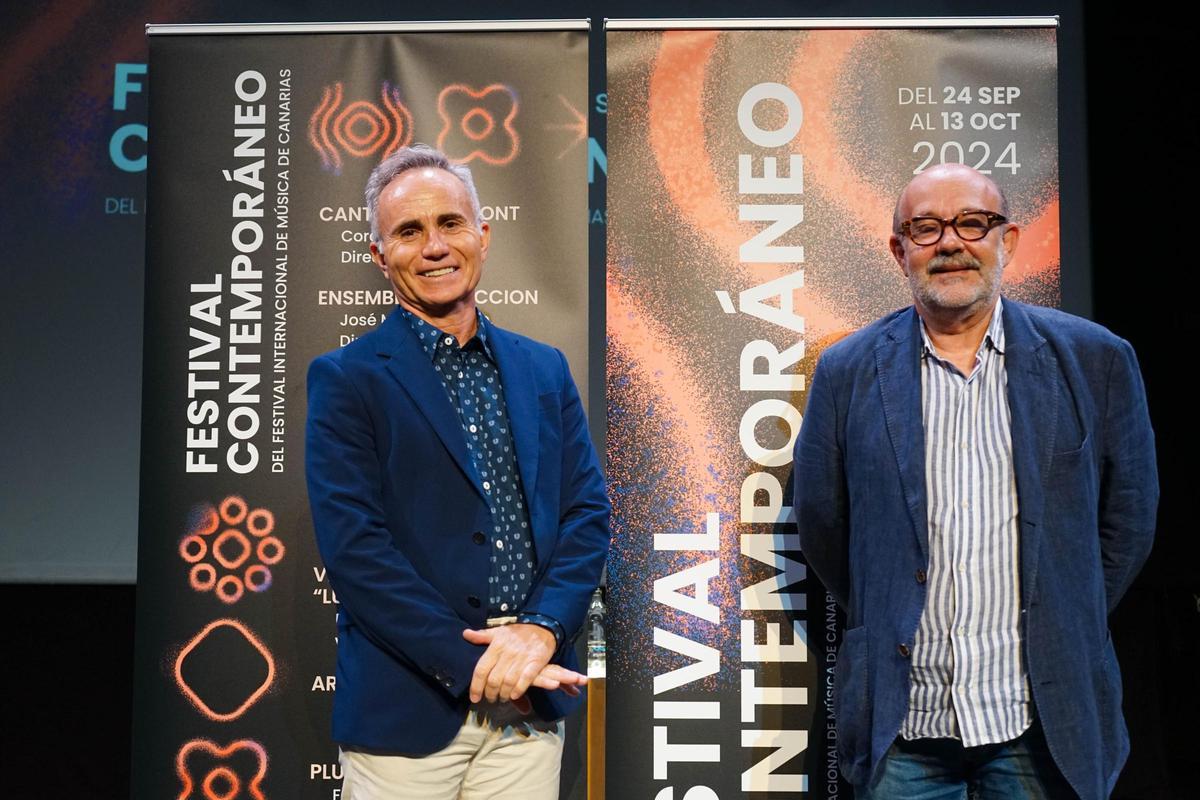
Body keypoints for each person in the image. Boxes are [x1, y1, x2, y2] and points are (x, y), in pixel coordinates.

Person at [793, 163, 1157, 799]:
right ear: (899, 249)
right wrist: (887, 606)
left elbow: (1128, 520)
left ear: (1007, 240)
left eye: (972, 223)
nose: (951, 243)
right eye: (927, 228)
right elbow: (826, 524)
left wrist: (1064, 614)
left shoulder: (1096, 359)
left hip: (1041, 723)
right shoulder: (847, 371)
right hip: (902, 726)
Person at [306, 144, 609, 799]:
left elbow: (586, 513)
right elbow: (355, 551)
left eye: (450, 223)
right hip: (407, 709)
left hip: (530, 704)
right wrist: (474, 665)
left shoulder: (543, 369)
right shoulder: (346, 380)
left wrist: (540, 631)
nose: (435, 246)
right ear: (379, 255)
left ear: (483, 234)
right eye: (409, 232)